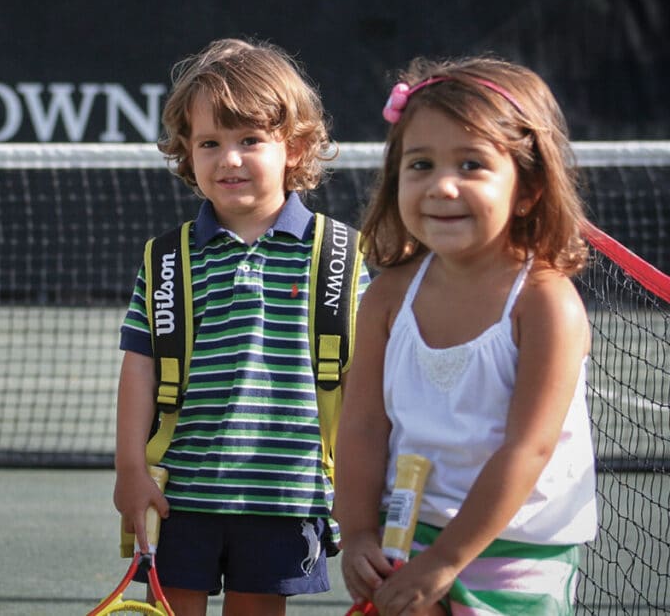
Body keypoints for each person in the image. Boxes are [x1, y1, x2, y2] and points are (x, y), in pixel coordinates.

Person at [114, 37, 370, 616]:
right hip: (181, 495)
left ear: (296, 147)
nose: (228, 159)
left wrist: (360, 487)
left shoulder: (339, 257)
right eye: (210, 143)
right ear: (187, 152)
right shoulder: (167, 260)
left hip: (287, 496)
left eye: (249, 140)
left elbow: (362, 380)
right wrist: (130, 469)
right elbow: (140, 368)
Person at [334, 56, 598, 616]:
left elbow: (529, 449)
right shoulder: (385, 297)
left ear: (527, 188)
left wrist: (448, 562)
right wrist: (357, 531)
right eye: (421, 164)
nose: (442, 187)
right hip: (404, 537)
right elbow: (360, 426)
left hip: (519, 554)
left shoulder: (547, 305)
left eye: (472, 164)